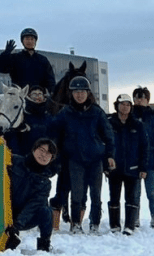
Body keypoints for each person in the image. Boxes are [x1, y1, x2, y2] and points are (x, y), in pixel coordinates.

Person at [49, 76, 115, 233]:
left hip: (95, 159)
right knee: (77, 194)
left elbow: (109, 135)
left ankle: (95, 224)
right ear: (71, 94)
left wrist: (110, 155)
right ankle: (76, 224)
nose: (79, 95)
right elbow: (54, 131)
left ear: (88, 93)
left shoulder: (97, 112)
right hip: (75, 159)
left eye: (83, 92)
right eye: (76, 92)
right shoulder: (66, 112)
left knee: (95, 194)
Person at [107, 93, 151, 235]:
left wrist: (143, 167)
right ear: (117, 105)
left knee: (131, 198)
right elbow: (104, 143)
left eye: (128, 105)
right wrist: (106, 163)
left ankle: (129, 225)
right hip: (114, 168)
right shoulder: (109, 123)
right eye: (122, 104)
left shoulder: (137, 125)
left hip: (133, 168)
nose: (125, 107)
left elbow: (144, 147)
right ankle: (114, 225)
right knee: (114, 197)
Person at [4, 138, 58, 252]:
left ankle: (44, 245)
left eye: (48, 154)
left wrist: (16, 226)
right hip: (2, 211)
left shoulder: (45, 183)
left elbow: (33, 206)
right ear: (34, 149)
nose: (44, 155)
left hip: (23, 218)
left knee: (46, 211)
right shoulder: (14, 161)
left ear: (51, 159)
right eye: (42, 150)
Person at [132, 86, 154, 227]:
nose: (139, 100)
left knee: (151, 193)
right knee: (134, 194)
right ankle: (134, 218)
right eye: (136, 97)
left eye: (142, 97)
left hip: (151, 163)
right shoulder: (129, 119)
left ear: (147, 100)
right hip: (134, 162)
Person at [0, 28, 56, 94]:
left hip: (38, 95)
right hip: (19, 95)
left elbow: (50, 79)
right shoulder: (15, 58)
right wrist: (6, 54)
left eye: (32, 39)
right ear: (22, 41)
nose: (29, 41)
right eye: (27, 39)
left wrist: (52, 92)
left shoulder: (42, 60)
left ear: (35, 41)